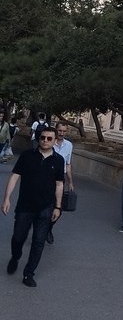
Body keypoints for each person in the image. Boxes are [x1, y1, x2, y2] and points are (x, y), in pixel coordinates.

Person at [2, 127, 65, 287]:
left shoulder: (58, 160)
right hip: (25, 205)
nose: (45, 141)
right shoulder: (27, 155)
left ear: (55, 141)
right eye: (42, 137)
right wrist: (7, 198)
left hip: (46, 207)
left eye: (49, 138)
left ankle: (28, 274)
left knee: (38, 241)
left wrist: (58, 207)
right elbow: (15, 176)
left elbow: (59, 184)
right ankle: (15, 257)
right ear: (38, 138)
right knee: (18, 237)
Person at [45, 121, 74, 245]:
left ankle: (48, 228)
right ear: (56, 130)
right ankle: (42, 227)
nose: (61, 133)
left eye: (64, 131)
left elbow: (68, 164)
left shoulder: (69, 145)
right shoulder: (49, 142)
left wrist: (70, 182)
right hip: (47, 178)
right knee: (44, 205)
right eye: (60, 130)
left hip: (60, 179)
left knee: (59, 207)